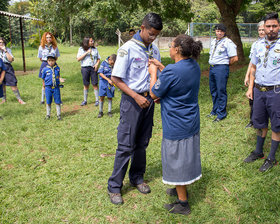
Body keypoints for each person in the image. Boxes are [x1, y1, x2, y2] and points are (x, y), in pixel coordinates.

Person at [107, 12, 163, 205]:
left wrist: (154, 94)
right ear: (142, 27)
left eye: (156, 34)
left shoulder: (154, 50)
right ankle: (115, 186)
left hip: (148, 103)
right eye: (150, 33)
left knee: (142, 143)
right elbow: (115, 78)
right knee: (125, 145)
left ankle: (137, 178)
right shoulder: (127, 49)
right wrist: (136, 96)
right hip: (132, 102)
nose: (153, 37)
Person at [149, 35, 203, 215]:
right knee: (186, 156)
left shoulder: (172, 70)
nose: (169, 48)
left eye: (171, 45)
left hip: (176, 122)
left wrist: (153, 73)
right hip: (191, 120)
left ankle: (183, 203)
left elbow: (154, 93)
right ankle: (179, 188)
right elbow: (178, 80)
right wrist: (162, 66)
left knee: (177, 159)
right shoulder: (193, 65)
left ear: (178, 49)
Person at [244, 12, 280, 172]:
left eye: (274, 26)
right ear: (263, 28)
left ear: (278, 27)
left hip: (276, 92)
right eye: (268, 26)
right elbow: (253, 68)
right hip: (259, 90)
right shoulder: (257, 45)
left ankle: (271, 157)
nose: (271, 29)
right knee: (259, 122)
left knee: (277, 126)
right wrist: (251, 88)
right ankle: (259, 151)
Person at [207, 24, 238, 122]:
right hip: (212, 68)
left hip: (221, 68)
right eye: (217, 31)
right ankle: (215, 110)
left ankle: (221, 113)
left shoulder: (228, 42)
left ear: (224, 32)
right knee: (213, 90)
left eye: (221, 31)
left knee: (221, 91)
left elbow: (234, 58)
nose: (219, 33)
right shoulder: (213, 42)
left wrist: (224, 65)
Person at [244, 21, 265, 128]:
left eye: (263, 29)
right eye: (259, 30)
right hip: (255, 77)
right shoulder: (256, 44)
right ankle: (253, 120)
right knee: (252, 99)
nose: (261, 32)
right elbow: (252, 63)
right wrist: (247, 75)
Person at [0, 37, 25, 104]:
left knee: (13, 83)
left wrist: (5, 50)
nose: (1, 44)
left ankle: (19, 99)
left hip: (7, 67)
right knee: (1, 84)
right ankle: (3, 99)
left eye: (2, 42)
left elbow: (11, 59)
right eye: (0, 43)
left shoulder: (8, 50)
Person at [77, 37, 100, 107]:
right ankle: (85, 100)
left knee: (95, 84)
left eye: (92, 41)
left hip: (93, 68)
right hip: (85, 68)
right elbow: (78, 59)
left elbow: (98, 58)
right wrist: (86, 52)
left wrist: (97, 64)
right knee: (86, 84)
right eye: (91, 41)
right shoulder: (81, 49)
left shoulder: (95, 49)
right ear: (86, 42)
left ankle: (97, 100)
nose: (92, 42)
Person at [38, 32, 60, 104]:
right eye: (47, 37)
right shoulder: (41, 47)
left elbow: (56, 56)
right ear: (44, 38)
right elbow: (40, 57)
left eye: (50, 37)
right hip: (45, 63)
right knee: (44, 82)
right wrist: (47, 62)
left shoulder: (55, 47)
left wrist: (52, 62)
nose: (48, 39)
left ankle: (56, 97)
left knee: (55, 81)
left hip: (53, 64)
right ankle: (43, 99)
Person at [41, 53, 62, 120]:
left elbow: (58, 76)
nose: (51, 62)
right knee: (48, 101)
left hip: (56, 87)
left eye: (52, 60)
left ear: (55, 61)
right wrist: (44, 84)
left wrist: (60, 79)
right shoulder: (45, 69)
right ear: (47, 61)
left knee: (57, 101)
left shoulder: (57, 68)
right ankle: (48, 114)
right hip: (48, 88)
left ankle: (58, 115)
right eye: (49, 60)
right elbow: (43, 78)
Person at [97, 54, 116, 118]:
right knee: (102, 97)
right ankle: (100, 111)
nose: (112, 65)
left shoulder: (115, 64)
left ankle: (109, 111)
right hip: (103, 82)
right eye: (112, 63)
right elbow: (100, 73)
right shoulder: (103, 63)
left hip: (111, 83)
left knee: (110, 97)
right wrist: (108, 80)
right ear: (109, 59)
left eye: (113, 64)